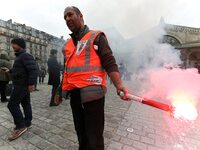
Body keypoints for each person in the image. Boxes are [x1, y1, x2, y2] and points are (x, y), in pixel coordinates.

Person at [55, 6, 129, 150]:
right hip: (75, 95)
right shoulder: (68, 45)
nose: (67, 19)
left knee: (94, 136)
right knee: (80, 132)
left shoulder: (96, 37)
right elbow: (67, 71)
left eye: (70, 15)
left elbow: (109, 62)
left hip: (93, 95)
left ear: (80, 16)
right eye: (65, 17)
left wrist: (119, 85)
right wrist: (59, 90)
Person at [3, 38, 38, 141]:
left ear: (20, 45)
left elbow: (33, 70)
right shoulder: (20, 56)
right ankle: (27, 123)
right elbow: (19, 70)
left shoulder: (25, 56)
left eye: (13, 44)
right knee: (26, 103)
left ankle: (20, 126)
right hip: (21, 84)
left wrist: (31, 84)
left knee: (12, 105)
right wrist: (9, 70)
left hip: (21, 85)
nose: (12, 45)